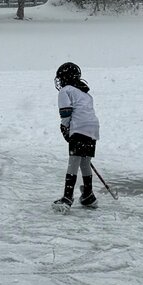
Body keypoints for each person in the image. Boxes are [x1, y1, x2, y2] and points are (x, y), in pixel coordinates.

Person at [54, 62, 100, 210]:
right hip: (92, 129)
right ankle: (88, 195)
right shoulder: (85, 93)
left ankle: (67, 198)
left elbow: (66, 112)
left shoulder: (65, 91)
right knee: (85, 162)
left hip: (79, 128)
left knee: (73, 161)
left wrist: (65, 127)